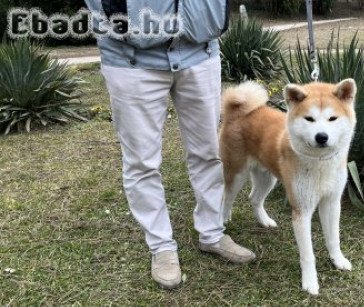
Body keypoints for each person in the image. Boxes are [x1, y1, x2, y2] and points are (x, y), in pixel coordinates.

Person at [84, 0, 256, 289]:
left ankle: (212, 233)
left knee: (208, 153)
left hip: (200, 53)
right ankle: (161, 246)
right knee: (142, 162)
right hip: (130, 61)